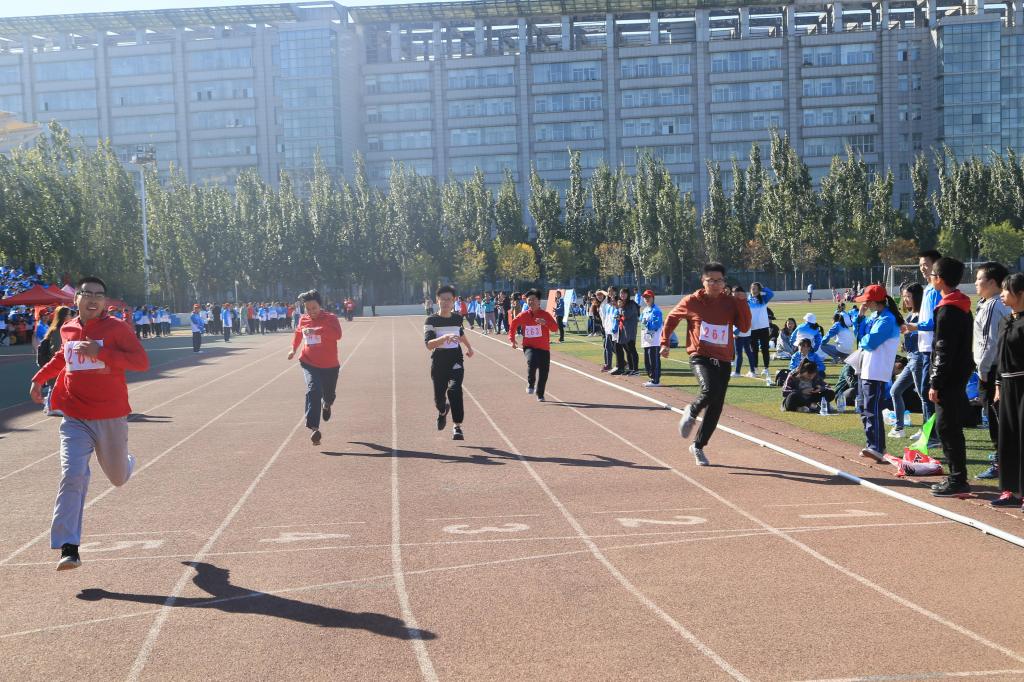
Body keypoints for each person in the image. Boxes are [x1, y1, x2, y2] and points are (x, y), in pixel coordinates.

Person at [29, 276, 149, 570]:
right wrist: (39, 378)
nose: (94, 299)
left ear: (104, 301)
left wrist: (101, 353)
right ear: (76, 299)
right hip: (75, 416)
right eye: (88, 294)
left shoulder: (117, 328)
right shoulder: (68, 328)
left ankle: (127, 462)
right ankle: (68, 547)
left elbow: (141, 362)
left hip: (110, 416)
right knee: (72, 475)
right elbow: (63, 356)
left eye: (99, 295)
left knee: (118, 478)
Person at [662, 263, 752, 466]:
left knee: (716, 406)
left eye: (719, 280)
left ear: (724, 282)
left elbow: (745, 326)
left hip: (724, 359)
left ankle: (698, 446)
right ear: (703, 281)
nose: (715, 284)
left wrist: (742, 302)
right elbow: (672, 318)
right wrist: (664, 342)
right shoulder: (692, 301)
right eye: (711, 280)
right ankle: (692, 411)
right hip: (700, 356)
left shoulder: (730, 302)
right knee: (710, 390)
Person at [927, 257, 974, 497]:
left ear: (940, 279)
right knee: (950, 426)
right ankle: (956, 476)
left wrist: (935, 382)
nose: (930, 278)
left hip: (949, 377)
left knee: (947, 427)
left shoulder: (948, 309)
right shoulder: (961, 304)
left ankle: (958, 479)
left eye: (932, 275)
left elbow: (943, 350)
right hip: (959, 373)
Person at [853, 285, 903, 463]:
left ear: (875, 301)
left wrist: (863, 338)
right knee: (864, 407)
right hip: (867, 367)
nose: (865, 304)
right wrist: (860, 317)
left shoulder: (887, 319)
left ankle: (877, 447)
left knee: (871, 408)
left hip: (877, 369)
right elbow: (860, 334)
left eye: (867, 301)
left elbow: (870, 341)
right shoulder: (875, 316)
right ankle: (873, 445)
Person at [287, 290, 342, 447]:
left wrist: (319, 330)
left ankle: (327, 404)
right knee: (313, 390)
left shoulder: (331, 318)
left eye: (314, 308)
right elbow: (298, 334)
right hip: (309, 362)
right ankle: (314, 428)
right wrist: (293, 349)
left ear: (320, 306)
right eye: (308, 308)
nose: (311, 311)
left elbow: (338, 335)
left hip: (330, 365)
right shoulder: (303, 319)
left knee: (329, 395)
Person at [972, 262, 1011, 481]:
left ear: (993, 282)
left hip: (993, 369)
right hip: (1001, 367)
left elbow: (988, 342)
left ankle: (1000, 462)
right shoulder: (997, 304)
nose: (976, 282)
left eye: (979, 279)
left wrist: (983, 369)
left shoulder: (992, 306)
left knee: (995, 417)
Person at [901, 249, 942, 444]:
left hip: (932, 349)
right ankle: (928, 430)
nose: (923, 268)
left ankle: (932, 434)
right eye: (920, 265)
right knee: (926, 392)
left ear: (936, 265)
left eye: (926, 264)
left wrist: (914, 326)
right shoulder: (929, 289)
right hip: (925, 348)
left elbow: (935, 322)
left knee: (929, 392)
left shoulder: (936, 290)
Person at [424, 284, 474, 440]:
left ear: (453, 301)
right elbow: (429, 345)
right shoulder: (431, 320)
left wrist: (469, 347)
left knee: (455, 390)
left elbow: (460, 333)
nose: (445, 302)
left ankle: (457, 426)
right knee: (439, 399)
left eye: (449, 299)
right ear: (437, 300)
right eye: (443, 299)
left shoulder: (457, 318)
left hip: (456, 359)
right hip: (439, 361)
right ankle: (442, 410)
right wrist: (444, 338)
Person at [991, 273, 1024, 508]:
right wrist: (998, 385)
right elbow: (999, 356)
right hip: (1006, 385)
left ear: (1020, 294)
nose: (1002, 294)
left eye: (1006, 290)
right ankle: (1010, 490)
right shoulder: (1005, 321)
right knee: (1008, 438)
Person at [509, 289, 558, 402]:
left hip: (544, 348)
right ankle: (531, 384)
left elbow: (555, 328)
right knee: (532, 361)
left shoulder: (545, 315)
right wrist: (512, 340)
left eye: (533, 300)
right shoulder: (524, 315)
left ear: (539, 301)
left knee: (544, 372)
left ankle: (540, 394)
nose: (530, 302)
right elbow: (513, 325)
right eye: (528, 300)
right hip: (529, 346)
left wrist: (545, 323)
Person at [889, 283, 924, 438]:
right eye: (904, 296)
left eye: (908, 296)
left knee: (924, 397)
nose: (905, 299)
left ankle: (927, 432)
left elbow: (928, 333)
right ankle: (899, 428)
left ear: (917, 297)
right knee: (895, 391)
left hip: (919, 359)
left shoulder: (924, 315)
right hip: (911, 360)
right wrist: (905, 344)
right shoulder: (910, 315)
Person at [36, 306, 72, 416]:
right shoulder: (57, 330)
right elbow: (56, 349)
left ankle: (50, 406)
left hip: (60, 362)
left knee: (58, 385)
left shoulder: (61, 328)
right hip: (54, 362)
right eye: (70, 314)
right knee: (54, 385)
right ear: (64, 316)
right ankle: (51, 407)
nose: (71, 316)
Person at [747, 282, 774, 378]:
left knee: (765, 349)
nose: (754, 290)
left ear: (759, 290)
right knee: (754, 349)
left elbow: (771, 294)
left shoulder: (763, 299)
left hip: (763, 327)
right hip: (752, 328)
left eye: (756, 288)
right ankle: (755, 369)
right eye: (752, 288)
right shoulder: (747, 301)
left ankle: (766, 368)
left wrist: (763, 288)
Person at [612, 288, 640, 375]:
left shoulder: (631, 304)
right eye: (621, 294)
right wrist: (619, 315)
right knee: (627, 350)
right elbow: (622, 315)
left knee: (632, 349)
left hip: (630, 330)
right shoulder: (623, 304)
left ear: (628, 294)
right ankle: (631, 368)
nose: (622, 295)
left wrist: (620, 308)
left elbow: (627, 315)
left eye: (624, 293)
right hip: (623, 330)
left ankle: (636, 369)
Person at [640, 290, 663, 388]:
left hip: (654, 340)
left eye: (648, 297)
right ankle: (652, 378)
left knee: (654, 360)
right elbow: (641, 321)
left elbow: (657, 324)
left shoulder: (656, 310)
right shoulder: (645, 310)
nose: (647, 299)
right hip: (647, 338)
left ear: (653, 298)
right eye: (645, 297)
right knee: (647, 361)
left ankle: (656, 380)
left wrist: (647, 323)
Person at [731, 286, 756, 378]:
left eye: (733, 292)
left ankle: (737, 372)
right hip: (747, 330)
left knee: (739, 353)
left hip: (739, 331)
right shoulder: (746, 301)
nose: (732, 294)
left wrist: (736, 331)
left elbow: (736, 318)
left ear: (737, 293)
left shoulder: (736, 303)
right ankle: (753, 371)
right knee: (748, 351)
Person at [599, 287, 618, 372]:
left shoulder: (617, 301)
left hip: (614, 329)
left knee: (616, 348)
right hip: (608, 329)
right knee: (608, 347)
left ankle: (620, 363)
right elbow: (607, 317)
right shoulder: (607, 304)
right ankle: (608, 364)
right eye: (609, 291)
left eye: (612, 291)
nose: (610, 293)